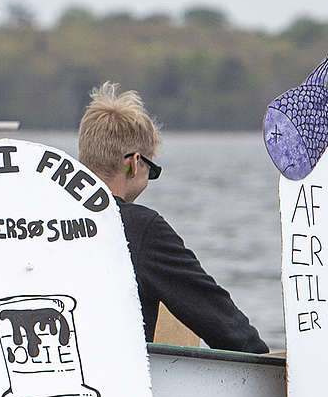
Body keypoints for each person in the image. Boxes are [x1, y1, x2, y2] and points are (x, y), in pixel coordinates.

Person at [81, 83, 268, 353]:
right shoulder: (139, 228)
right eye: (151, 170)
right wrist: (267, 365)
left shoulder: (37, 220)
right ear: (134, 163)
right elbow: (219, 319)